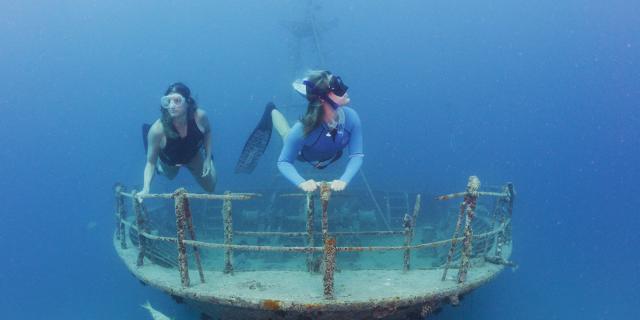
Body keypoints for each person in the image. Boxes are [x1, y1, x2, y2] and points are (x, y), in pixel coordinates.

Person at [236, 70, 363, 192]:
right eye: (337, 87)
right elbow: (284, 162)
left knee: (291, 135)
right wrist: (302, 182)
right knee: (286, 134)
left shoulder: (352, 118)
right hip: (302, 154)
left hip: (330, 152)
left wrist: (344, 180)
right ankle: (272, 110)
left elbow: (357, 155)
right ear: (323, 98)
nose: (345, 90)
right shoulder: (302, 129)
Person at [138, 82, 216, 196]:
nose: (172, 105)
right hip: (170, 161)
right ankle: (160, 167)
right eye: (168, 101)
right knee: (170, 176)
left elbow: (207, 132)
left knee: (211, 187)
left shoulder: (200, 116)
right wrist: (146, 188)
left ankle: (210, 161)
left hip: (192, 154)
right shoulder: (157, 130)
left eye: (177, 100)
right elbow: (150, 163)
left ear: (187, 102)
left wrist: (208, 159)